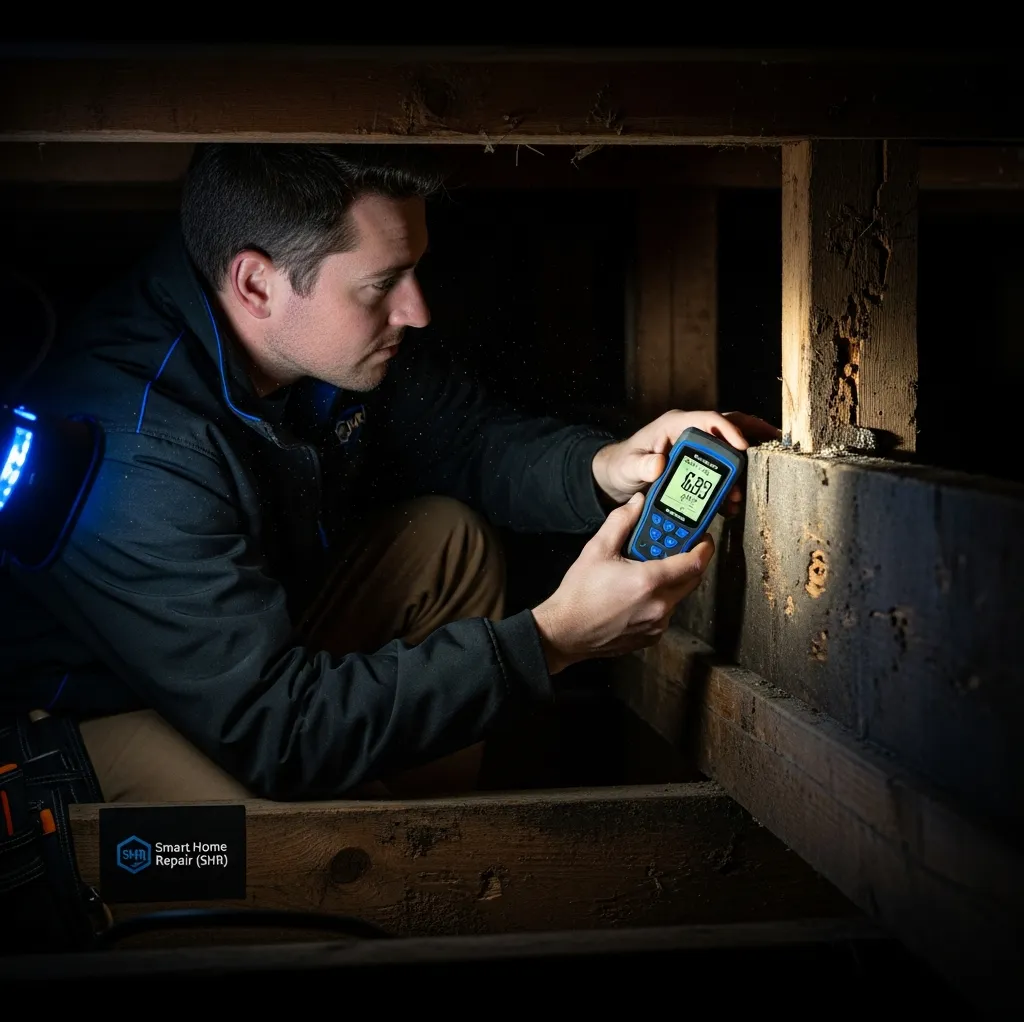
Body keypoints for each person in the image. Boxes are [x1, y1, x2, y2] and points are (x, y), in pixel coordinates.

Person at [2, 144, 775, 803]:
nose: (416, 310)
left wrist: (606, 465)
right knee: (269, 851)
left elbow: (470, 440)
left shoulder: (320, 331)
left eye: (413, 272)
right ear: (256, 283)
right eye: (382, 285)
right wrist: (552, 640)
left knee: (448, 541)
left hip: (245, 657)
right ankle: (347, 883)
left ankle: (413, 857)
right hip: (99, 718)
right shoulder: (134, 446)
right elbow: (279, 730)